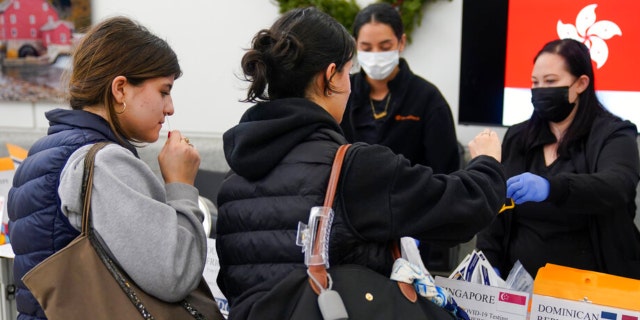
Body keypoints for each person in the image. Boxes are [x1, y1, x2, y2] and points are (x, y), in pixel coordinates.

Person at [215, 7, 506, 319]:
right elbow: (465, 205)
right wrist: (487, 162)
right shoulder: (354, 167)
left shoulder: (234, 180)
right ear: (330, 76)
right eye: (348, 70)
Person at [8, 17, 218, 319]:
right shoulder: (104, 164)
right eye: (163, 91)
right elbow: (175, 274)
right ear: (120, 89)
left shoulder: (45, 151)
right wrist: (181, 184)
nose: (170, 107)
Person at [476, 38, 640, 280]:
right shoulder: (519, 136)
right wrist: (488, 265)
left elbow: (617, 186)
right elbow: (496, 209)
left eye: (551, 81)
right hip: (519, 289)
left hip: (594, 290)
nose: (541, 89)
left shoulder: (614, 133)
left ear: (581, 83)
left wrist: (552, 188)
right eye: (535, 82)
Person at [340, 3, 462, 270]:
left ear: (401, 42)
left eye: (385, 47)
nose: (375, 55)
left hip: (411, 232)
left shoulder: (427, 100)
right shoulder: (342, 95)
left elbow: (446, 174)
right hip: (350, 230)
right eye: (366, 47)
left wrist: (421, 230)